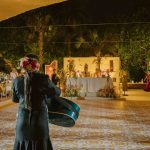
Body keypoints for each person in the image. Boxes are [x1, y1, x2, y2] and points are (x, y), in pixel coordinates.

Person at [12, 54, 61, 150]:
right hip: (39, 122)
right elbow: (57, 92)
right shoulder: (43, 79)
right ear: (37, 65)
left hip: (22, 123)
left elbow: (15, 99)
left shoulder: (16, 81)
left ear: (23, 66)